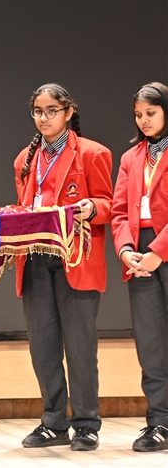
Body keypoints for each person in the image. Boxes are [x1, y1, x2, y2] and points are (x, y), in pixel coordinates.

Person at [14, 83, 112, 451]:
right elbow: (25, 207)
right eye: (38, 111)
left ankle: (86, 423)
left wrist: (92, 207)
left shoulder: (93, 153)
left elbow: (108, 204)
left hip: (75, 257)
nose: (44, 118)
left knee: (80, 345)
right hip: (35, 257)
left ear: (68, 112)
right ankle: (54, 421)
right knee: (42, 346)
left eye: (51, 110)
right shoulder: (24, 159)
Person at [110, 82, 168, 452]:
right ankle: (159, 422)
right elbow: (118, 211)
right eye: (138, 115)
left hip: (163, 247)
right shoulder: (131, 158)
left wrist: (159, 250)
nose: (144, 120)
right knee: (150, 343)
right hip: (140, 254)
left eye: (151, 113)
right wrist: (126, 250)